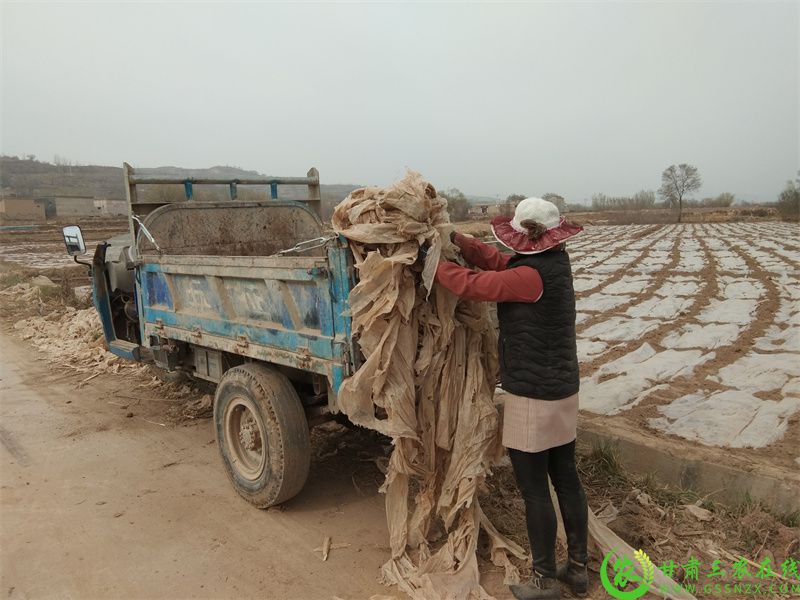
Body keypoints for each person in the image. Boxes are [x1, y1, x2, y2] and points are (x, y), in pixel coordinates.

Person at [435, 197, 589, 600]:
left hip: (533, 396)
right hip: (562, 390)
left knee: (534, 487)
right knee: (565, 477)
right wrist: (461, 242)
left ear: (525, 236)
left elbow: (475, 285)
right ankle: (577, 569)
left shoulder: (530, 279)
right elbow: (500, 264)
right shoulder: (553, 266)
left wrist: (431, 264)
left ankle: (543, 581)